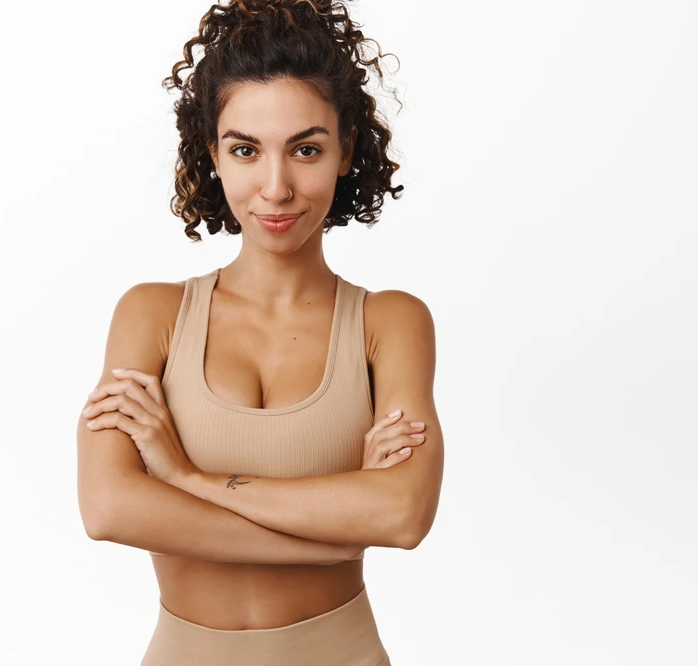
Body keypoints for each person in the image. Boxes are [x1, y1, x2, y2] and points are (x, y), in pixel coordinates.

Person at [75, 1, 444, 663]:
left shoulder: (390, 323)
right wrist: (337, 532)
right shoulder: (152, 316)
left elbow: (401, 515)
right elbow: (108, 508)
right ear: (213, 152)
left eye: (306, 149)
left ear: (345, 150)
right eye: (246, 150)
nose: (275, 188)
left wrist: (186, 478)